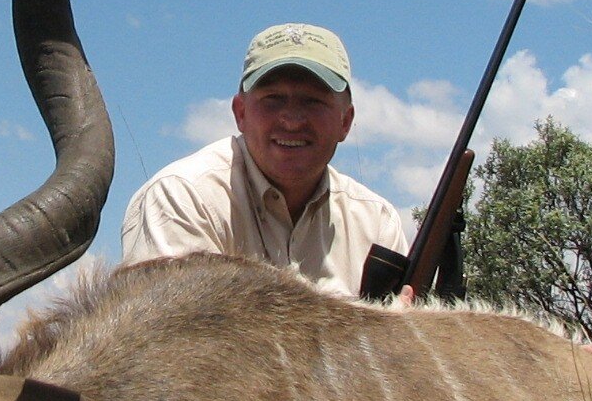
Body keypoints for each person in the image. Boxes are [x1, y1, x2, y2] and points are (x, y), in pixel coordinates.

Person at [121, 23, 408, 299]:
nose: (292, 120)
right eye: (273, 99)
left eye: (313, 101)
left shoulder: (378, 223)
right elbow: (174, 339)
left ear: (345, 122)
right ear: (240, 113)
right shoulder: (180, 198)